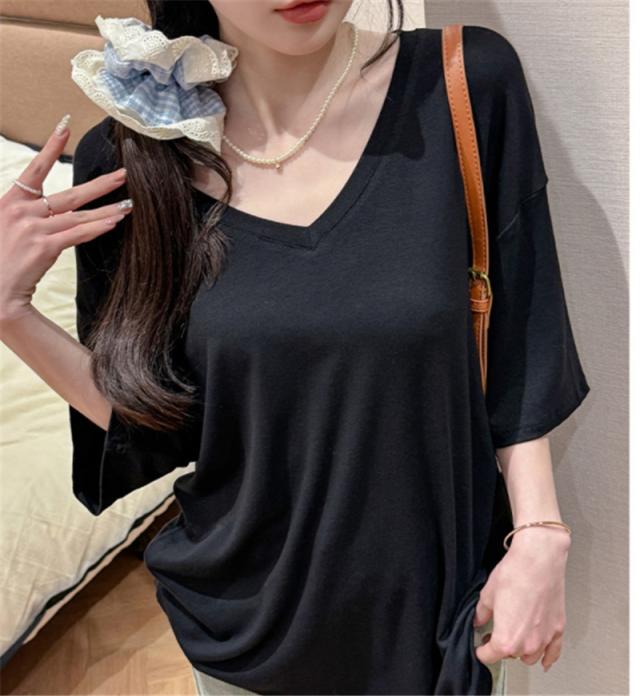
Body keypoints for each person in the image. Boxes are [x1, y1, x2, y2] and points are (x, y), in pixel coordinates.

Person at [0, 0, 591, 694]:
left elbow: (522, 333)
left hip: (441, 620)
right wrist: (12, 314)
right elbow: (159, 422)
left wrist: (540, 532)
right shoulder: (134, 153)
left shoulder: (464, 85)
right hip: (242, 631)